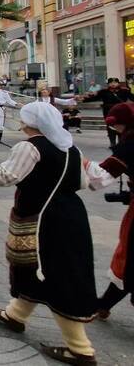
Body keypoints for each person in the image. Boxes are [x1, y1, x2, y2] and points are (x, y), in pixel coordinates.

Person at [0, 102, 99, 365]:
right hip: (71, 215)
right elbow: (83, 183)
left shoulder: (30, 147)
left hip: (43, 218)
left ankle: (80, 348)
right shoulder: (71, 149)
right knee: (32, 268)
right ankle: (15, 315)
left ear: (30, 123)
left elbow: (3, 177)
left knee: (53, 273)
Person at [81, 103, 134, 319]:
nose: (115, 131)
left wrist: (80, 160)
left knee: (130, 257)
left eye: (116, 127)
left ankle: (103, 304)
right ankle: (103, 304)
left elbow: (99, 178)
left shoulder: (130, 145)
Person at [84, 78, 134, 147]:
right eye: (111, 83)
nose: (113, 84)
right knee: (110, 126)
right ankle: (112, 142)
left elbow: (132, 97)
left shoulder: (124, 91)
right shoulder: (104, 91)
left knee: (121, 126)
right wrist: (83, 99)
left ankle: (121, 142)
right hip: (108, 111)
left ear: (118, 83)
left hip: (121, 111)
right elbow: (95, 98)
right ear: (108, 84)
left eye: (115, 82)